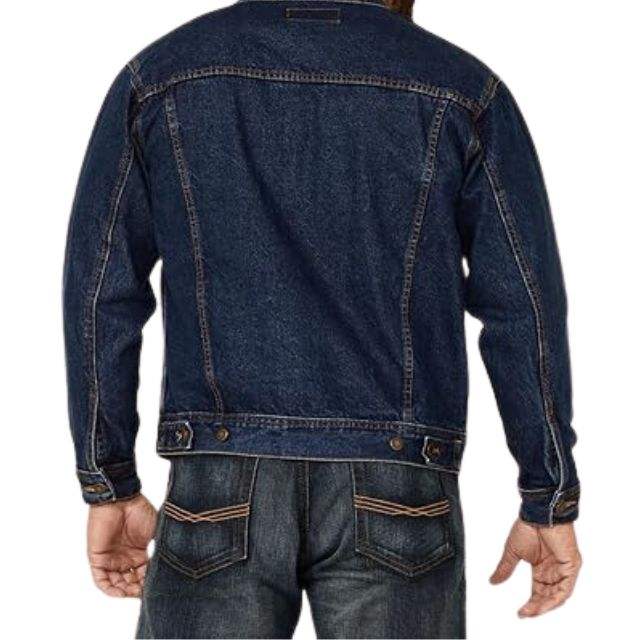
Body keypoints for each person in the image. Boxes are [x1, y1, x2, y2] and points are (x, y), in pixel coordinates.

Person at [63, 1, 582, 637]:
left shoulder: (162, 78)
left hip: (217, 479)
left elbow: (100, 292)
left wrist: (109, 481)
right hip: (400, 481)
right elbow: (523, 303)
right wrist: (548, 493)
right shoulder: (462, 89)